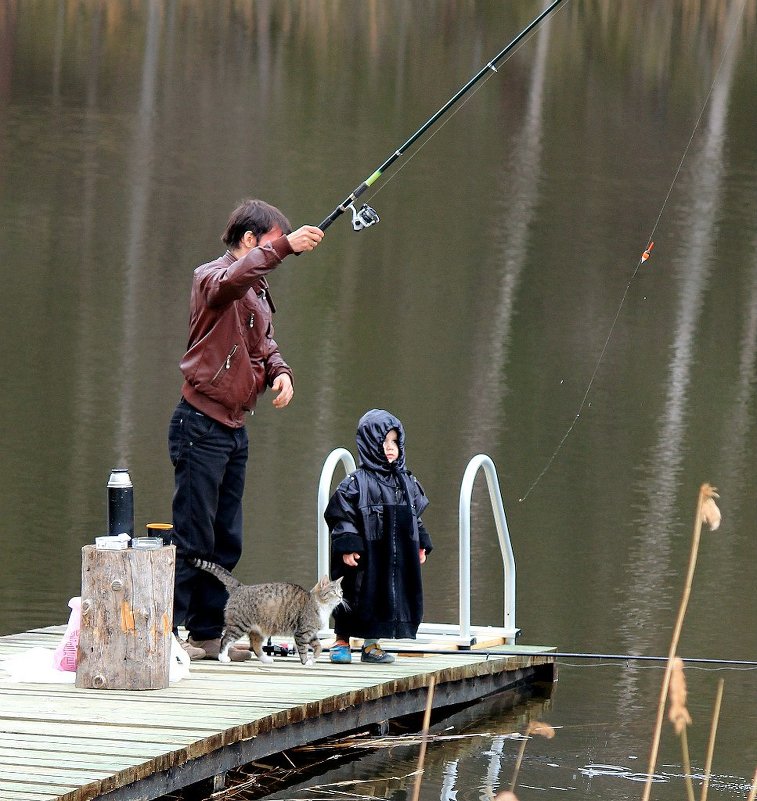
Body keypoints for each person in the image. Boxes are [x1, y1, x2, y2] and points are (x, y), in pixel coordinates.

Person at [168, 198, 324, 661]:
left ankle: (207, 635)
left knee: (225, 540)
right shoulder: (212, 278)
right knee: (192, 540)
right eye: (276, 244)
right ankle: (162, 634)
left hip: (233, 429)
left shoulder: (256, 291)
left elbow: (262, 341)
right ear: (251, 241)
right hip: (198, 424)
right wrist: (286, 249)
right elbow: (232, 283)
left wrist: (281, 370)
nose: (283, 254)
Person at [324, 409, 433, 664]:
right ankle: (341, 641)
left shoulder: (406, 483)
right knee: (351, 594)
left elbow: (415, 516)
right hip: (363, 555)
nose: (390, 448)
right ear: (369, 444)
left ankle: (372, 645)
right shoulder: (356, 483)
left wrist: (421, 544)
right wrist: (347, 546)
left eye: (395, 442)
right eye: (383, 442)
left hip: (391, 554)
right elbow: (340, 516)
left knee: (384, 595)